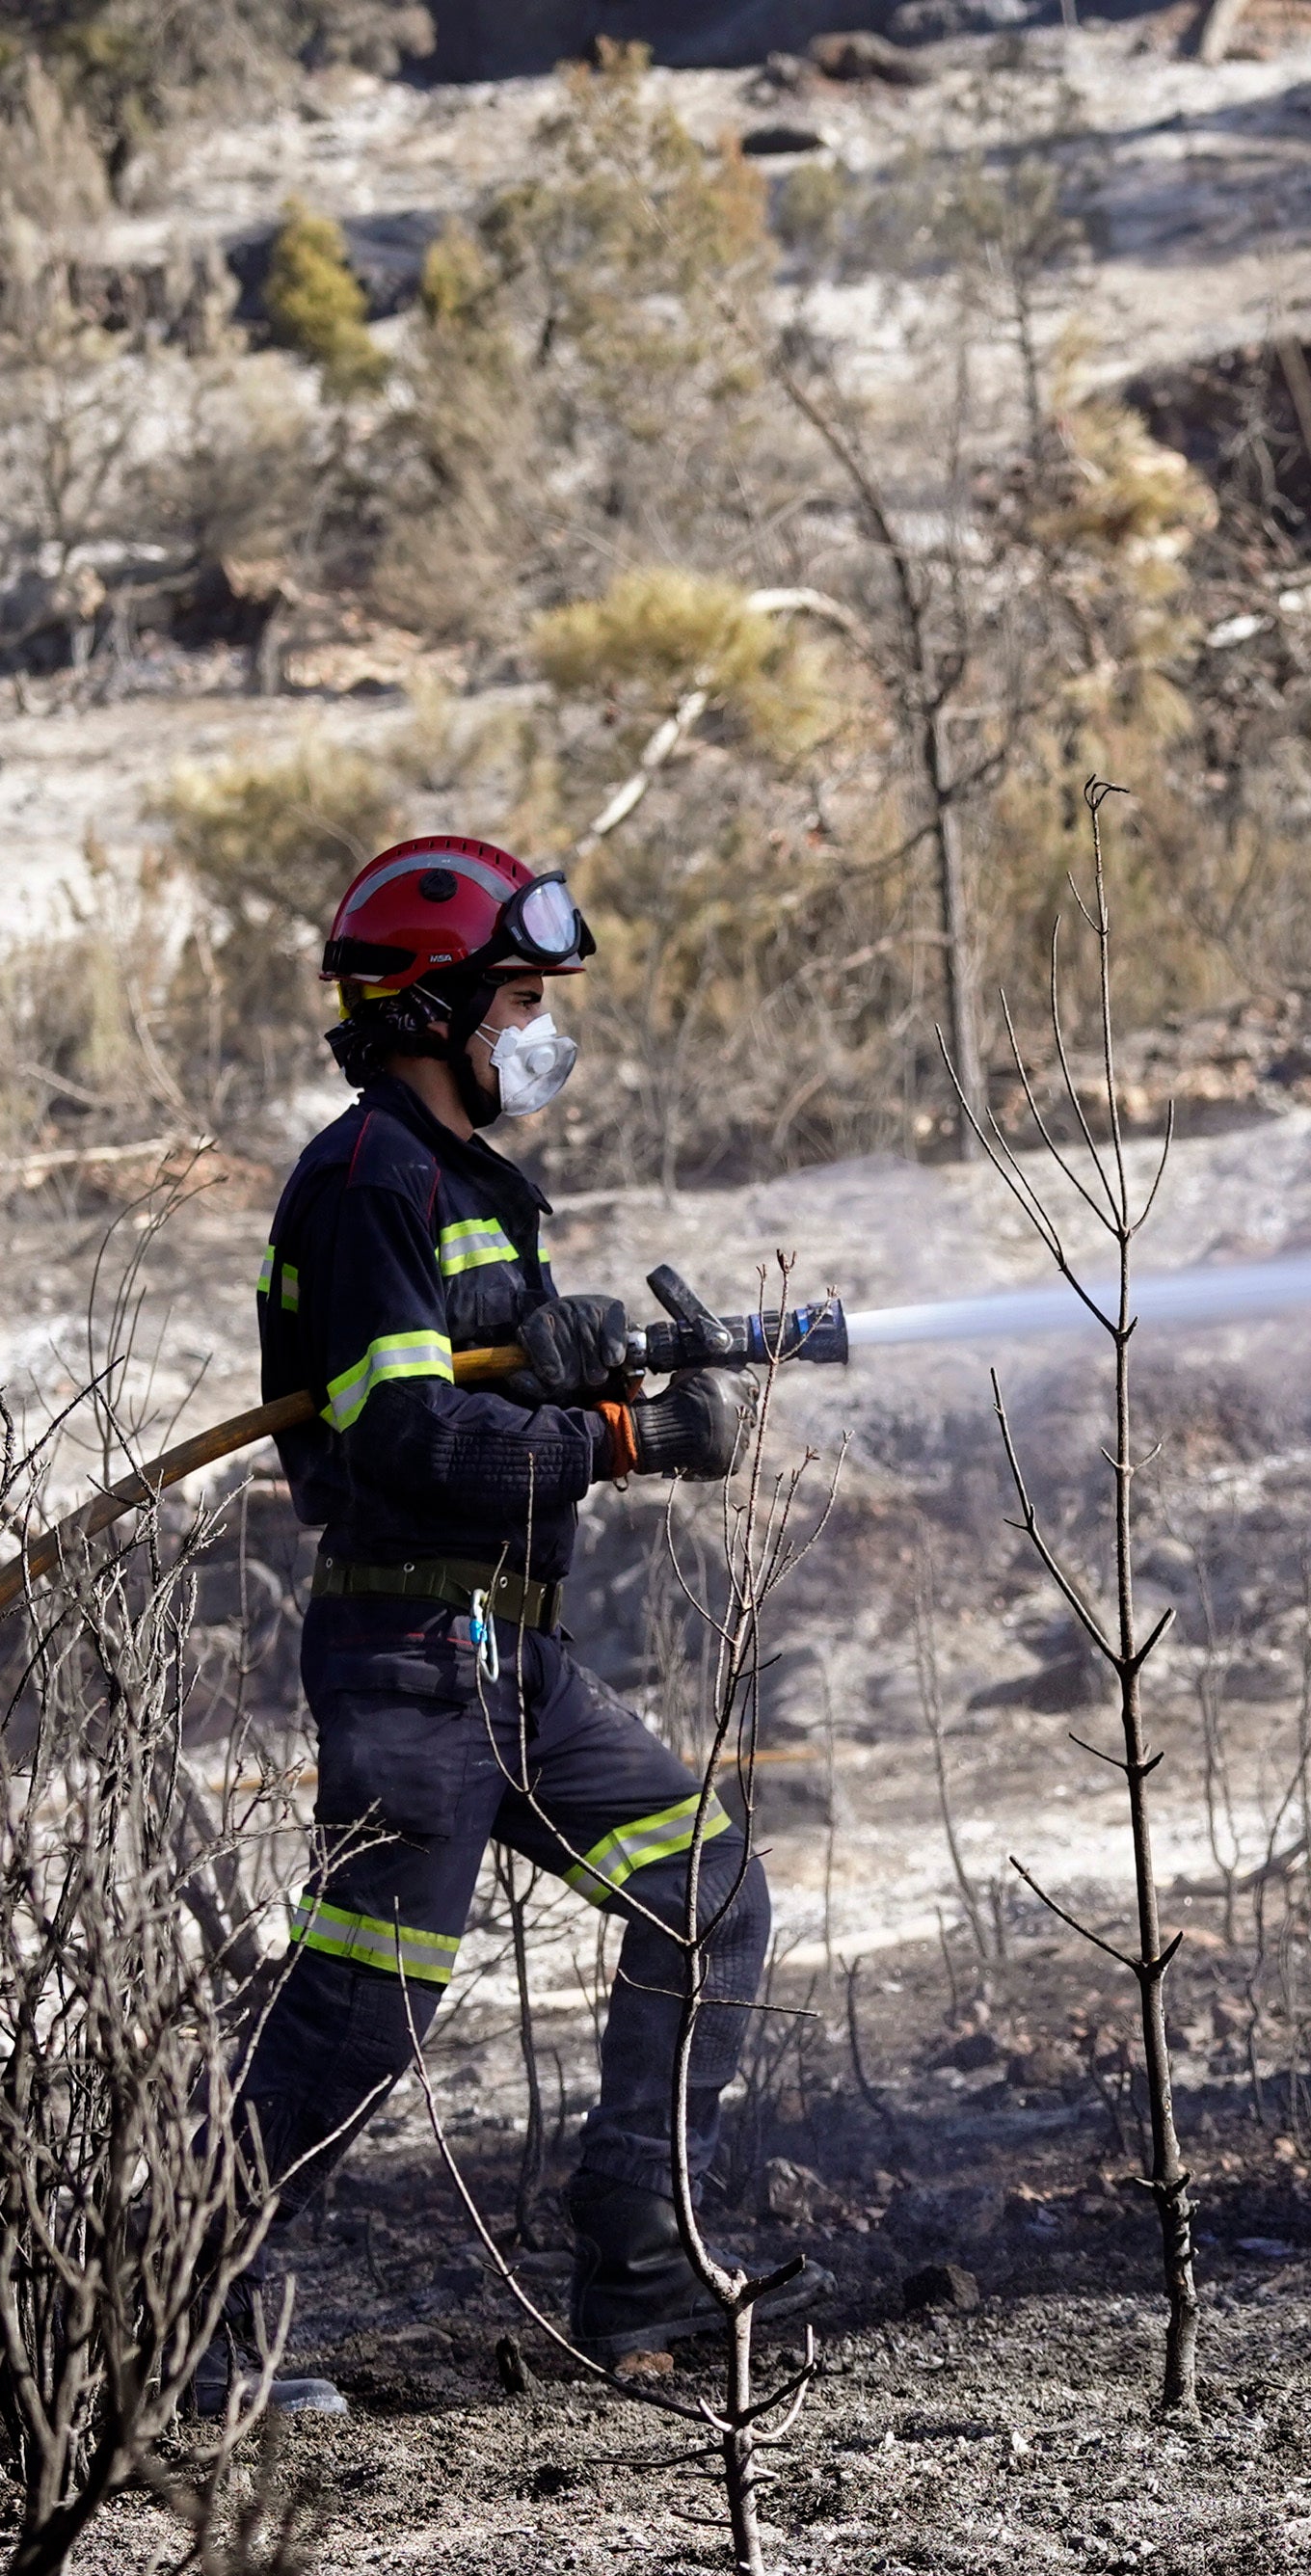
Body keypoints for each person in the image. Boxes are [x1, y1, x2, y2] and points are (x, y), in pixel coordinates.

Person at [233, 835, 820, 2363]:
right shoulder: (366, 1181)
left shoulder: (474, 1185)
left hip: (510, 1661)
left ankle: (640, 2263)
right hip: (412, 1667)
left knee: (707, 1897)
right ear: (432, 1009)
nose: (544, 1028)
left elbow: (481, 1367)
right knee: (359, 2024)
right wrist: (619, 1440)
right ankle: (175, 2330)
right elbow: (408, 1435)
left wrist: (583, 1358)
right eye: (522, 998)